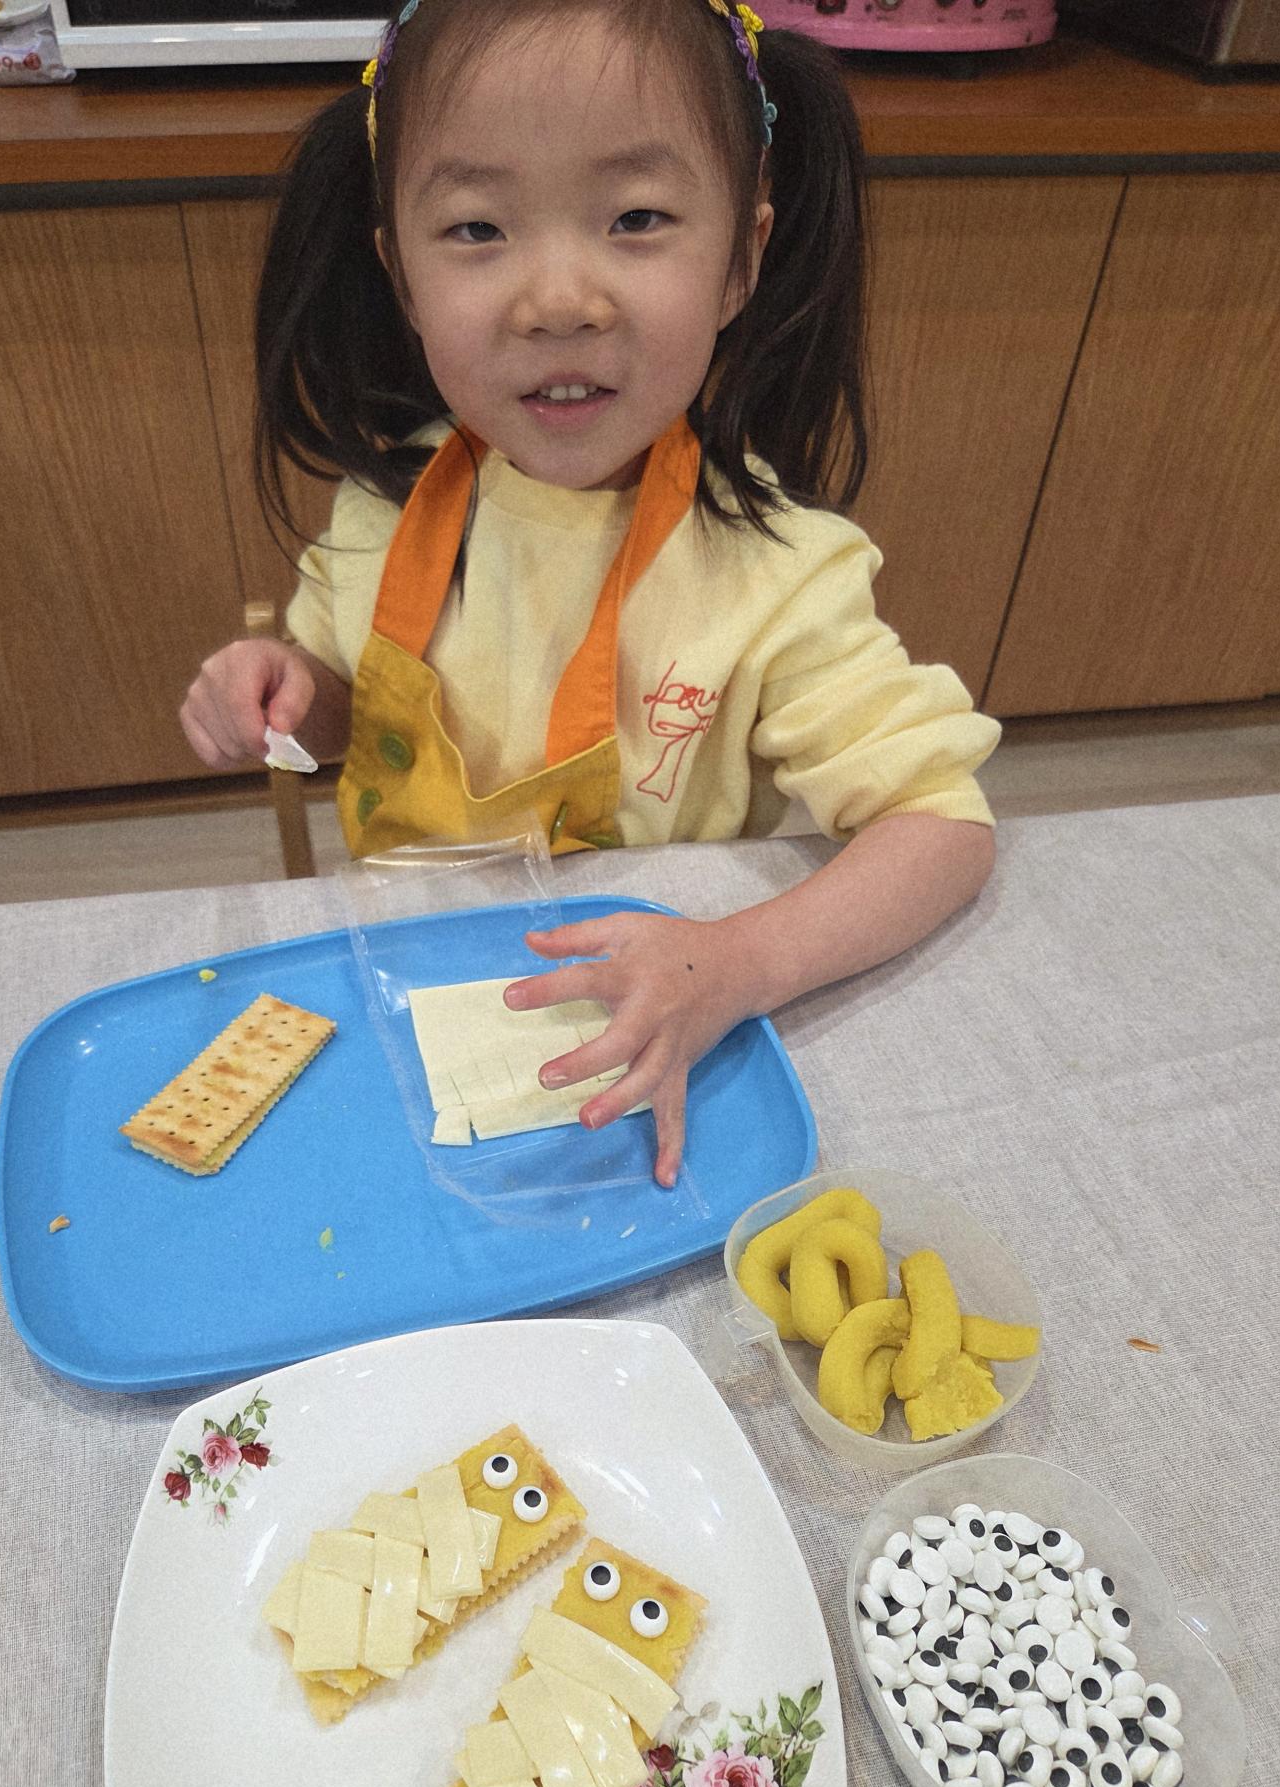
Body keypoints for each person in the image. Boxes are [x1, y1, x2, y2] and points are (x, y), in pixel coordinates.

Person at [179, 0, 1000, 1188]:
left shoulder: (779, 573)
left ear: (742, 259)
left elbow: (943, 829)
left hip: (652, 1030)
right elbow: (343, 720)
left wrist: (737, 962)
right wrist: (288, 697)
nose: (559, 299)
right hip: (407, 1004)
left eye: (636, 219)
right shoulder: (382, 509)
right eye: (477, 228)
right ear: (398, 272)